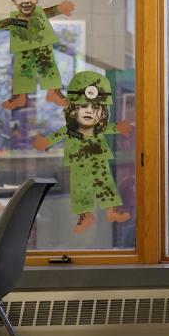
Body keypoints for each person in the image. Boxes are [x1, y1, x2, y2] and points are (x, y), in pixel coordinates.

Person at [33, 71, 132, 233]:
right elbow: (59, 134)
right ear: (73, 109)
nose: (89, 111)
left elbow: (109, 128)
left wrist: (119, 128)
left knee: (105, 184)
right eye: (83, 106)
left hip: (98, 157)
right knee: (80, 189)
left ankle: (111, 211)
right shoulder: (71, 129)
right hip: (78, 160)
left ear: (102, 112)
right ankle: (85, 215)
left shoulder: (99, 128)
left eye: (95, 107)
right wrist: (46, 142)